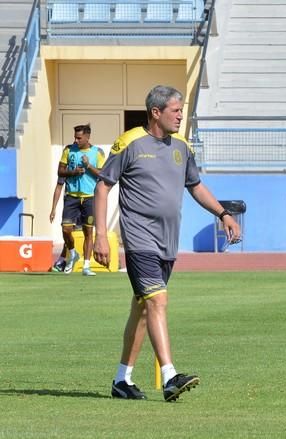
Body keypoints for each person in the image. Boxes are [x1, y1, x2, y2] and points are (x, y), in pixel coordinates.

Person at [94, 85, 242, 402]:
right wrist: (101, 236)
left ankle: (122, 380)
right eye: (175, 110)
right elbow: (103, 186)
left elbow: (196, 186)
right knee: (158, 301)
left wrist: (223, 213)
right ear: (156, 112)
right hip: (139, 239)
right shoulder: (130, 142)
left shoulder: (182, 147)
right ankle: (170, 376)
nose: (180, 115)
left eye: (181, 109)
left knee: (144, 308)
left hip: (167, 243)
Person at [57, 124, 105, 276]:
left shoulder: (97, 152)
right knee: (66, 229)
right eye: (75, 137)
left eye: (79, 137)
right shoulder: (68, 150)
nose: (76, 140)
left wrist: (88, 165)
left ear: (87, 137)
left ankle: (86, 266)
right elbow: (60, 171)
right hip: (72, 196)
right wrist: (73, 172)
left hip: (89, 197)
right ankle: (72, 253)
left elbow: (102, 174)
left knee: (88, 232)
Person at [49, 177, 68, 272]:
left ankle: (87, 263)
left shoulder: (92, 163)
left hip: (87, 201)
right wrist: (53, 209)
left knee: (86, 233)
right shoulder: (66, 166)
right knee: (68, 232)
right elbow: (59, 186)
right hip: (71, 202)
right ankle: (62, 261)